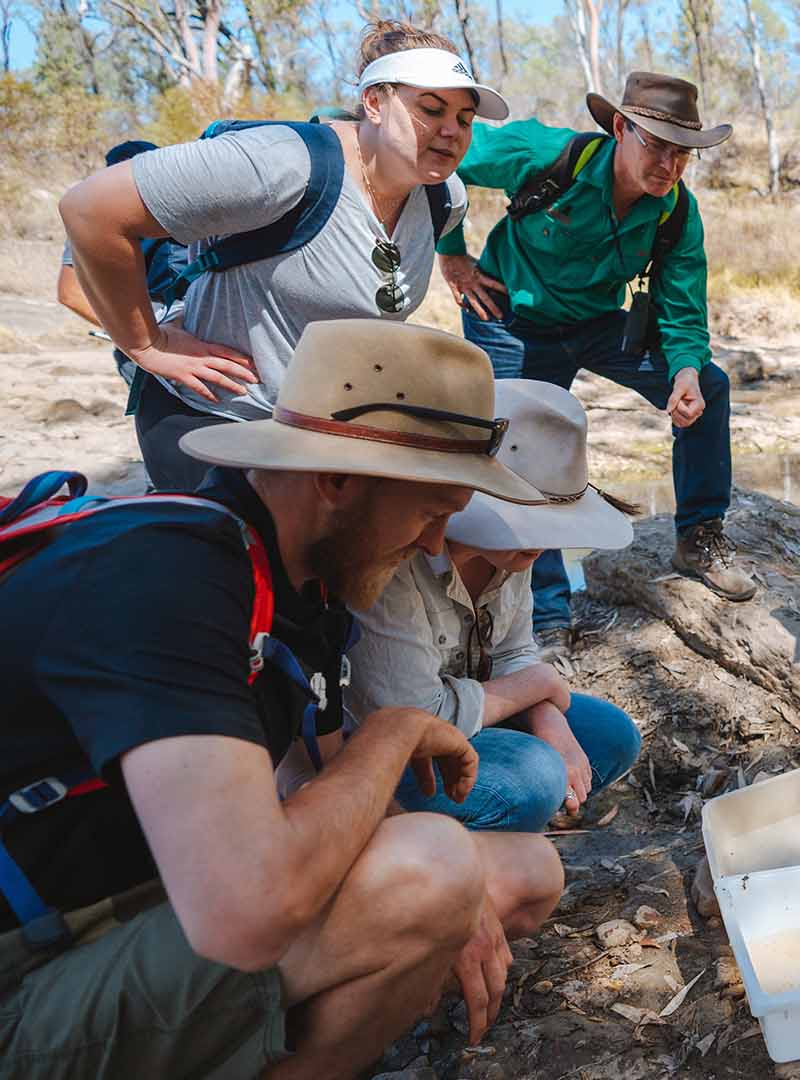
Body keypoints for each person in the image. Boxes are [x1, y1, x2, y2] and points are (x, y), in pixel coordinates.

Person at [0, 319, 561, 1077]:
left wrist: (447, 909)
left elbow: (336, 798)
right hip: (26, 977)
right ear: (336, 481)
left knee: (522, 878)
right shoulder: (173, 581)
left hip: (137, 906)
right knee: (431, 871)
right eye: (431, 512)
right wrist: (392, 734)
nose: (436, 545)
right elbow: (248, 915)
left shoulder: (295, 580)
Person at [59, 19, 507, 493]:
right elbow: (88, 210)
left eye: (464, 119)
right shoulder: (283, 164)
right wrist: (145, 345)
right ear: (374, 102)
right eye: (431, 109)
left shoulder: (445, 198)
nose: (451, 131)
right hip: (216, 417)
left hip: (319, 426)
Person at [436, 69, 754, 661]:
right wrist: (451, 256)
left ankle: (699, 537)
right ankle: (548, 615)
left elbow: (683, 312)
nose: (668, 165)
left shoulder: (677, 213)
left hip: (602, 324)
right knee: (523, 451)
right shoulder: (547, 155)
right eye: (654, 145)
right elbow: (438, 160)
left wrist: (683, 372)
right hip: (510, 318)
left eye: (681, 153)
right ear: (619, 128)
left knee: (708, 382)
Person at [346, 379, 641, 832]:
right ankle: (436, 839)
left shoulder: (510, 557)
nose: (543, 545)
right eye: (532, 521)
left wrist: (546, 714)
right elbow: (415, 716)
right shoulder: (398, 558)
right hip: (388, 748)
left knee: (612, 736)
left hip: (473, 714)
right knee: (536, 778)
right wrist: (538, 683)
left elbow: (513, 652)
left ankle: (509, 817)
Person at [55, 140, 186, 386]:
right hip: (179, 333)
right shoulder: (185, 209)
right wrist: (146, 331)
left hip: (154, 339)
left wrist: (134, 331)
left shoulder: (90, 220)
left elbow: (69, 294)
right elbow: (70, 294)